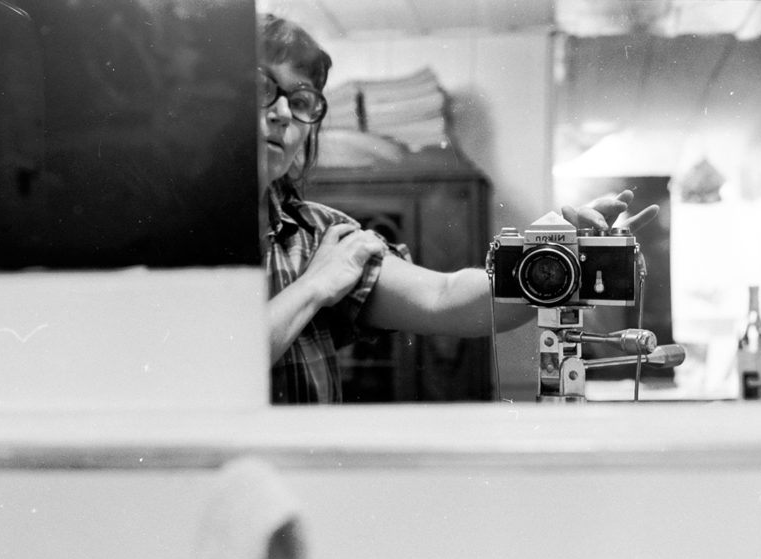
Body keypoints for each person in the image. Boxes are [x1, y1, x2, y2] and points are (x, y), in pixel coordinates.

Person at [259, 14, 657, 404]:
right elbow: (213, 370)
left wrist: (555, 253)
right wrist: (313, 287)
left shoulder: (323, 236)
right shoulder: (298, 257)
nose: (280, 113)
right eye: (261, 89)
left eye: (299, 100)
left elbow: (443, 296)